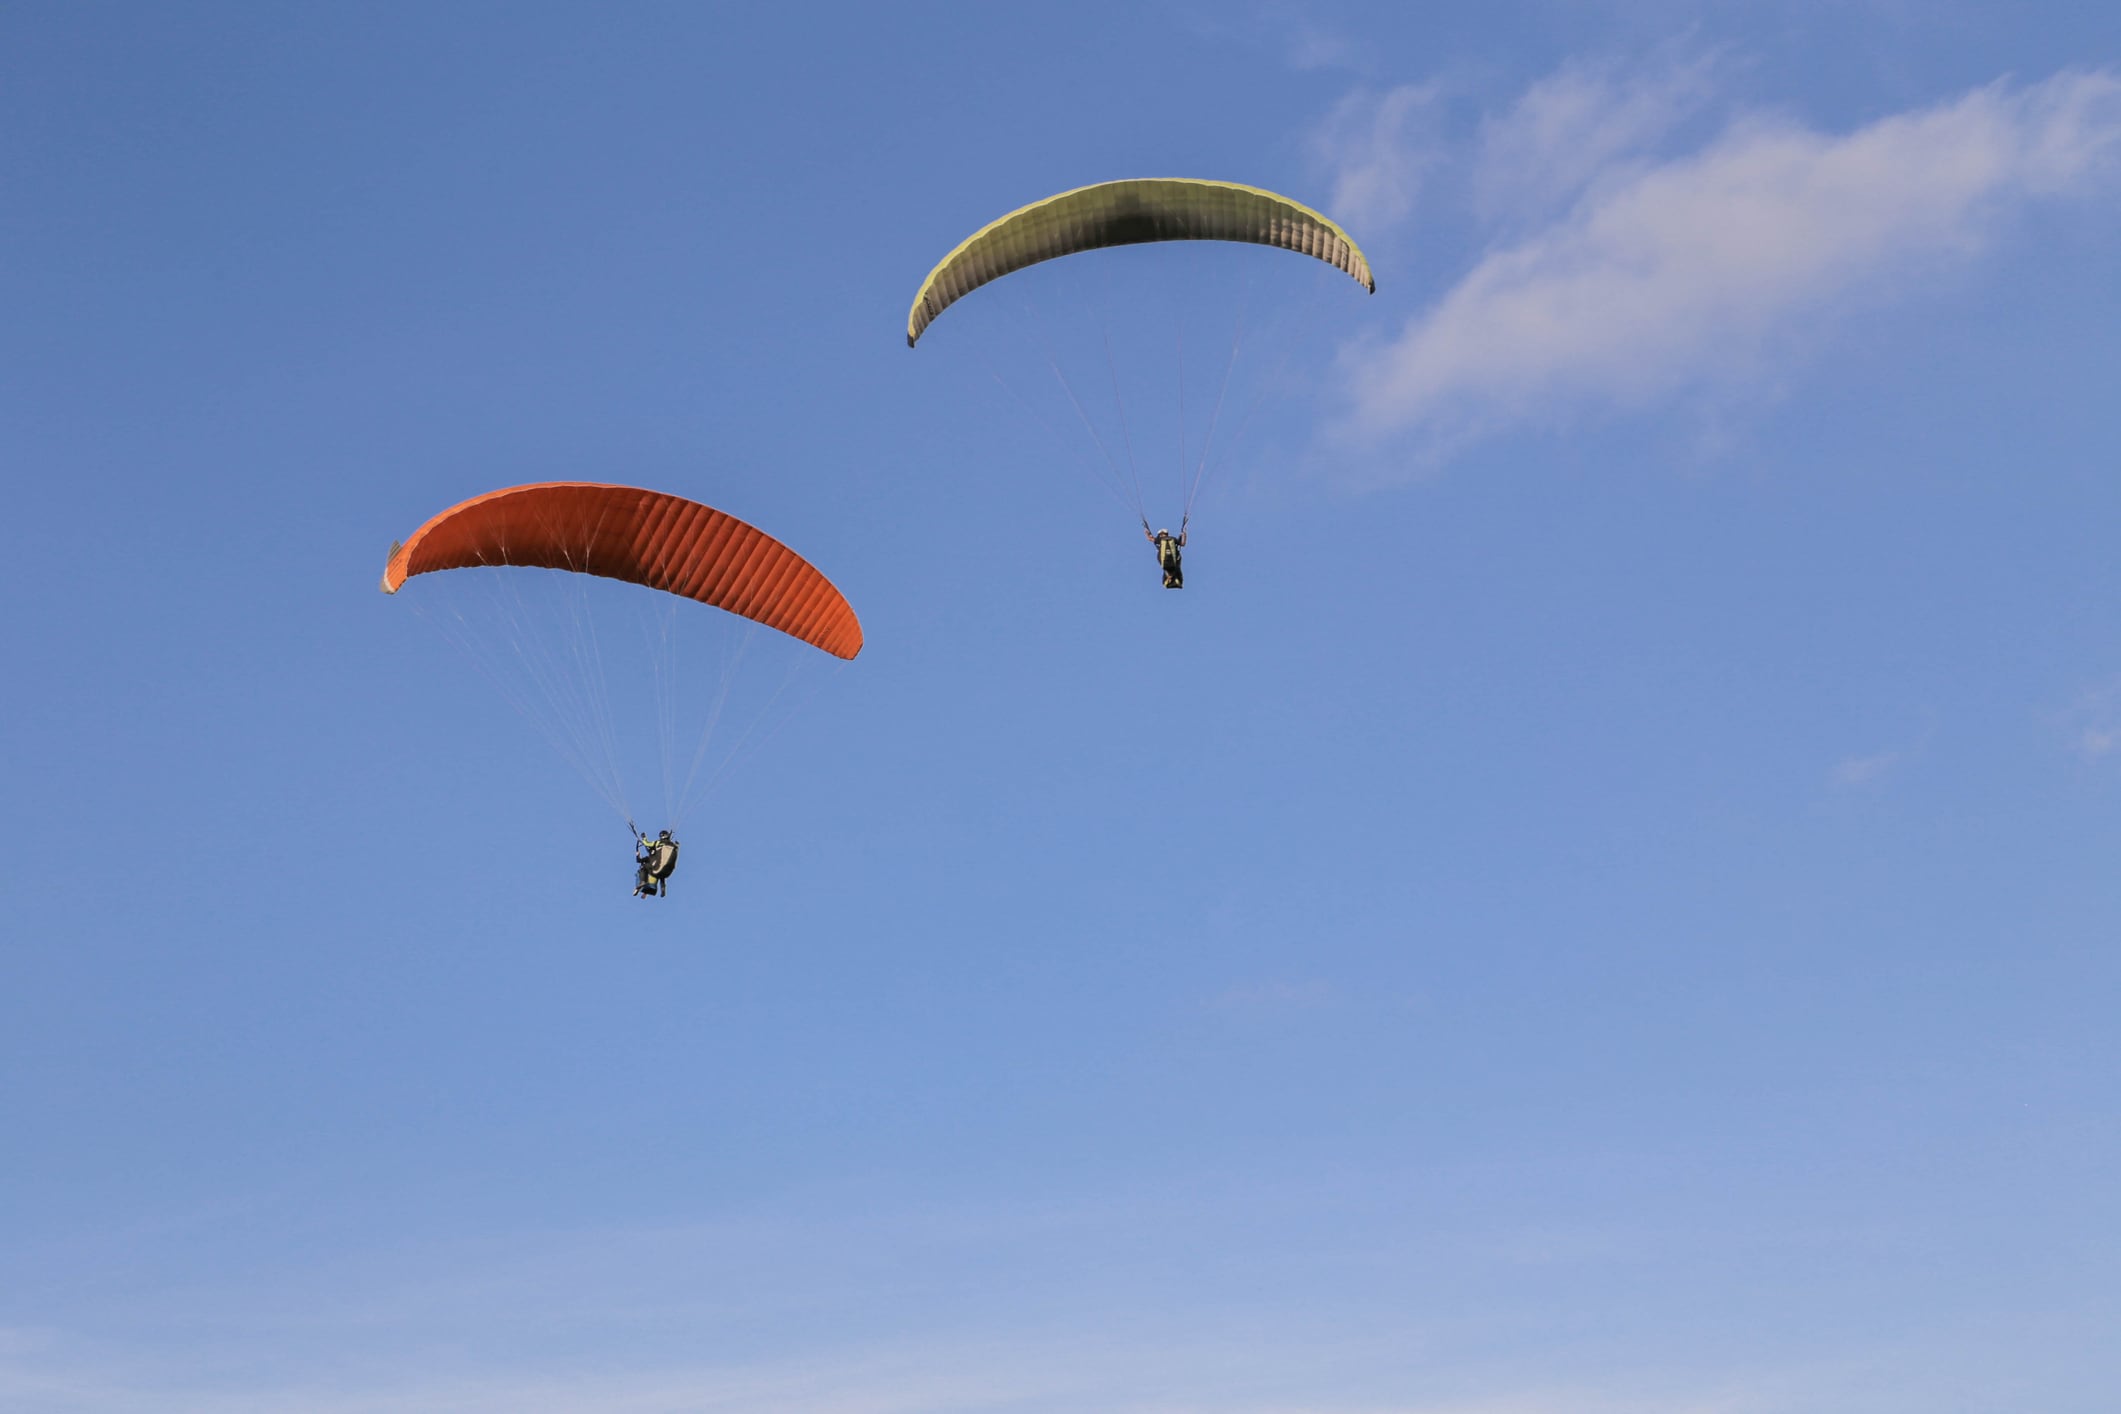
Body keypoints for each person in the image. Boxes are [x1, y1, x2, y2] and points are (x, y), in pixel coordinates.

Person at [633, 829, 680, 898]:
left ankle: (642, 882)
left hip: (655, 871)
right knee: (661, 875)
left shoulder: (657, 844)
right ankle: (663, 889)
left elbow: (646, 844)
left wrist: (644, 838)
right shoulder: (673, 845)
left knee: (644, 867)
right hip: (667, 872)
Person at [1146, 524, 1187, 589]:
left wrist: (1146, 532)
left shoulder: (1159, 540)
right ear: (1167, 534)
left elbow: (1150, 539)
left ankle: (1168, 581)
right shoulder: (1173, 539)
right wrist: (1184, 535)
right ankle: (1177, 581)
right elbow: (1183, 544)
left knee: (1166, 571)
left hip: (1164, 564)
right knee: (1177, 569)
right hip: (1174, 563)